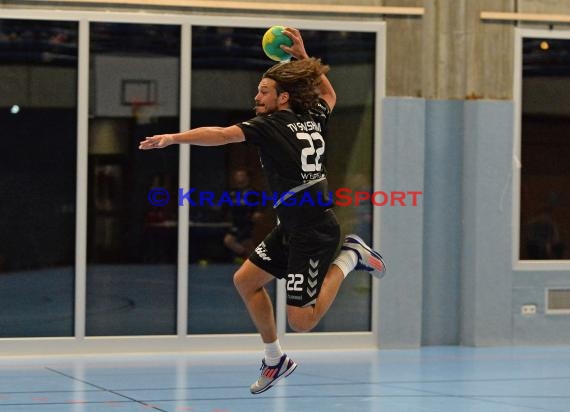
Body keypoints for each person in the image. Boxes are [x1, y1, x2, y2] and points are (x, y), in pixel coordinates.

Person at [140, 27, 387, 395]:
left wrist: (175, 138)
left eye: (263, 91)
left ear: (282, 97)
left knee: (301, 320)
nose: (256, 96)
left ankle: (352, 255)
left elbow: (221, 134)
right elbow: (330, 93)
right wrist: (303, 55)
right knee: (246, 281)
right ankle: (275, 360)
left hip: (314, 231)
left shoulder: (271, 126)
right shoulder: (313, 116)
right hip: (294, 225)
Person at [223, 169, 262, 261]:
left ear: (247, 178)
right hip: (236, 220)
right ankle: (255, 260)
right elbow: (225, 206)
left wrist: (258, 212)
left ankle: (252, 260)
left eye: (242, 175)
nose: (240, 177)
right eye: (238, 175)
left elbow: (261, 204)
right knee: (245, 243)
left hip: (247, 221)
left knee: (230, 240)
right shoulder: (232, 192)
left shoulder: (253, 192)